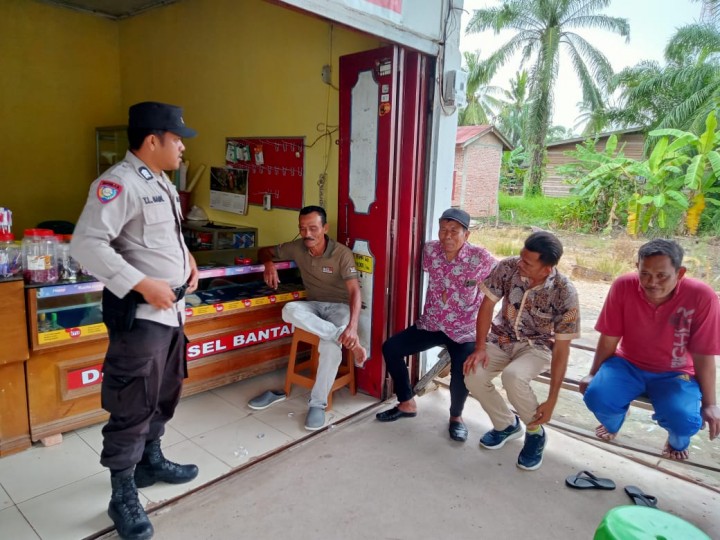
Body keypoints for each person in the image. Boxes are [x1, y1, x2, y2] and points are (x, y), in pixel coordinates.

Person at [71, 101, 200, 540]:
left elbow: (163, 240)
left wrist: (189, 262)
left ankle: (150, 461)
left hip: (172, 314)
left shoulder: (161, 182)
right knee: (132, 403)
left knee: (165, 392)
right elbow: (86, 245)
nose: (183, 147)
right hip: (142, 317)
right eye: (178, 139)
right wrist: (144, 284)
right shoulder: (117, 183)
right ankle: (122, 492)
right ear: (153, 140)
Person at [581, 239, 720, 460]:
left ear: (680, 272)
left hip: (676, 373)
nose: (652, 282)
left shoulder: (702, 296)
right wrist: (593, 373)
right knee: (596, 396)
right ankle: (615, 419)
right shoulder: (623, 286)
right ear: (637, 267)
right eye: (644, 274)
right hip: (627, 364)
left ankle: (676, 442)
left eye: (662, 275)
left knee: (685, 420)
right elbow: (609, 338)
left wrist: (711, 404)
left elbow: (704, 354)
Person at [375, 208, 496, 442]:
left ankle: (456, 418)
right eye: (443, 230)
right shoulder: (430, 250)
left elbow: (499, 286)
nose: (447, 236)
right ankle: (406, 402)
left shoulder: (481, 258)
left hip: (463, 329)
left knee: (462, 371)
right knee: (391, 348)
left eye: (454, 231)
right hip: (432, 323)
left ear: (466, 234)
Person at [463, 231, 580, 471]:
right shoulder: (507, 268)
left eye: (527, 262)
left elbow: (561, 349)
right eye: (521, 257)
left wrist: (553, 398)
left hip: (537, 347)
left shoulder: (564, 291)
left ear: (546, 268)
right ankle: (506, 425)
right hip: (501, 338)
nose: (520, 263)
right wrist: (480, 348)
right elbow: (487, 306)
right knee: (473, 374)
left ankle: (535, 432)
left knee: (513, 377)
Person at [254, 205, 366, 431]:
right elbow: (264, 250)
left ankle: (317, 404)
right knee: (289, 311)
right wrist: (268, 264)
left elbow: (355, 291)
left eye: (313, 228)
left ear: (325, 228)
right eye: (302, 228)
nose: (307, 234)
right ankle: (342, 338)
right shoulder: (297, 247)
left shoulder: (341, 253)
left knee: (331, 347)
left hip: (339, 308)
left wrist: (352, 328)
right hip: (314, 306)